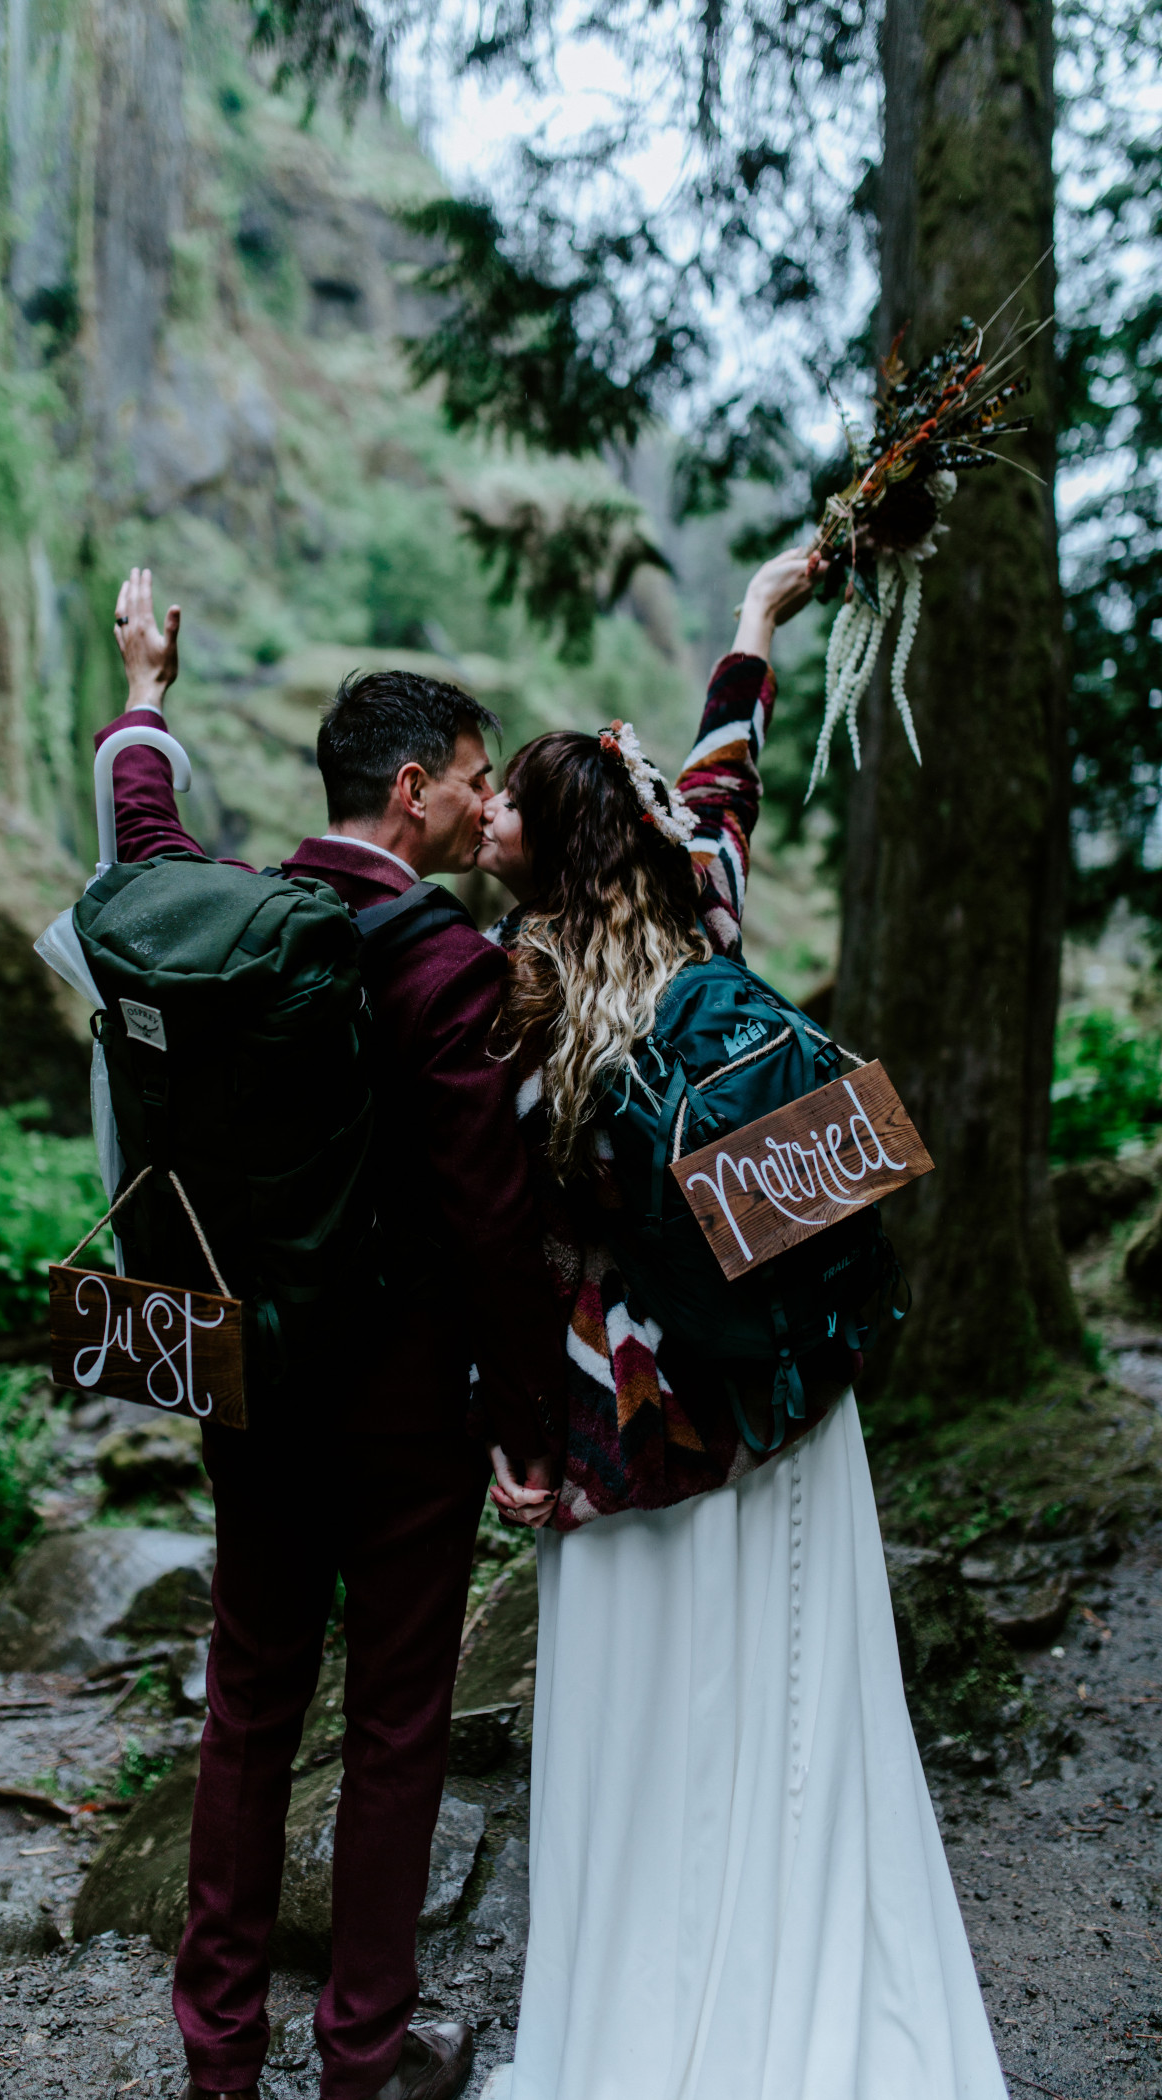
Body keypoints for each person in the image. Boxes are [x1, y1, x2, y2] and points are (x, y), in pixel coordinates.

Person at [477, 548, 1009, 2100]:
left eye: (507, 801)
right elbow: (723, 775)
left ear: (549, 851)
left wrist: (499, 1429)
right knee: (798, 1717)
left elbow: (495, 1250)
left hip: (630, 1426)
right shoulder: (700, 916)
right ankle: (821, 2001)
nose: (489, 816)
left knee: (646, 1750)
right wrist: (760, 624)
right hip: (783, 1399)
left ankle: (647, 2036)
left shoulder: (513, 1004)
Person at [100, 570, 561, 2100]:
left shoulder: (229, 920)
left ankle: (217, 2057)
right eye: (481, 784)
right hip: (411, 1416)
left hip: (252, 1383)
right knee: (394, 1730)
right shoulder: (445, 969)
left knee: (245, 1710)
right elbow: (494, 1228)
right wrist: (530, 1425)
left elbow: (144, 834)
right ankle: (361, 2055)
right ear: (415, 792)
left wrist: (145, 690)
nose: (490, 813)